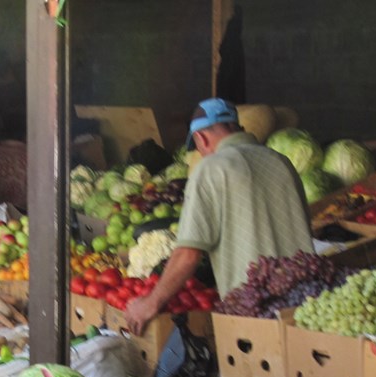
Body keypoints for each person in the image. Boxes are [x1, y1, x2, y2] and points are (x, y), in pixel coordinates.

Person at [124, 98, 313, 336]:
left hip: (255, 312)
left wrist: (150, 303)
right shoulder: (281, 162)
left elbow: (189, 254)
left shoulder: (211, 169)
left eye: (198, 148)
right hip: (304, 306)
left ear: (201, 139)